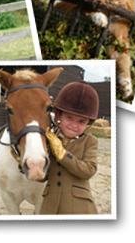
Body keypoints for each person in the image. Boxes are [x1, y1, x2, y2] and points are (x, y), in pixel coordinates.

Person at [40, 80, 99, 215]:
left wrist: (61, 154)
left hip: (79, 207)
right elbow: (43, 177)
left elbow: (89, 170)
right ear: (59, 115)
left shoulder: (90, 141)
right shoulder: (51, 138)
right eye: (69, 117)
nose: (74, 125)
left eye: (81, 121)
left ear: (88, 123)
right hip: (50, 205)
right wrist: (25, 164)